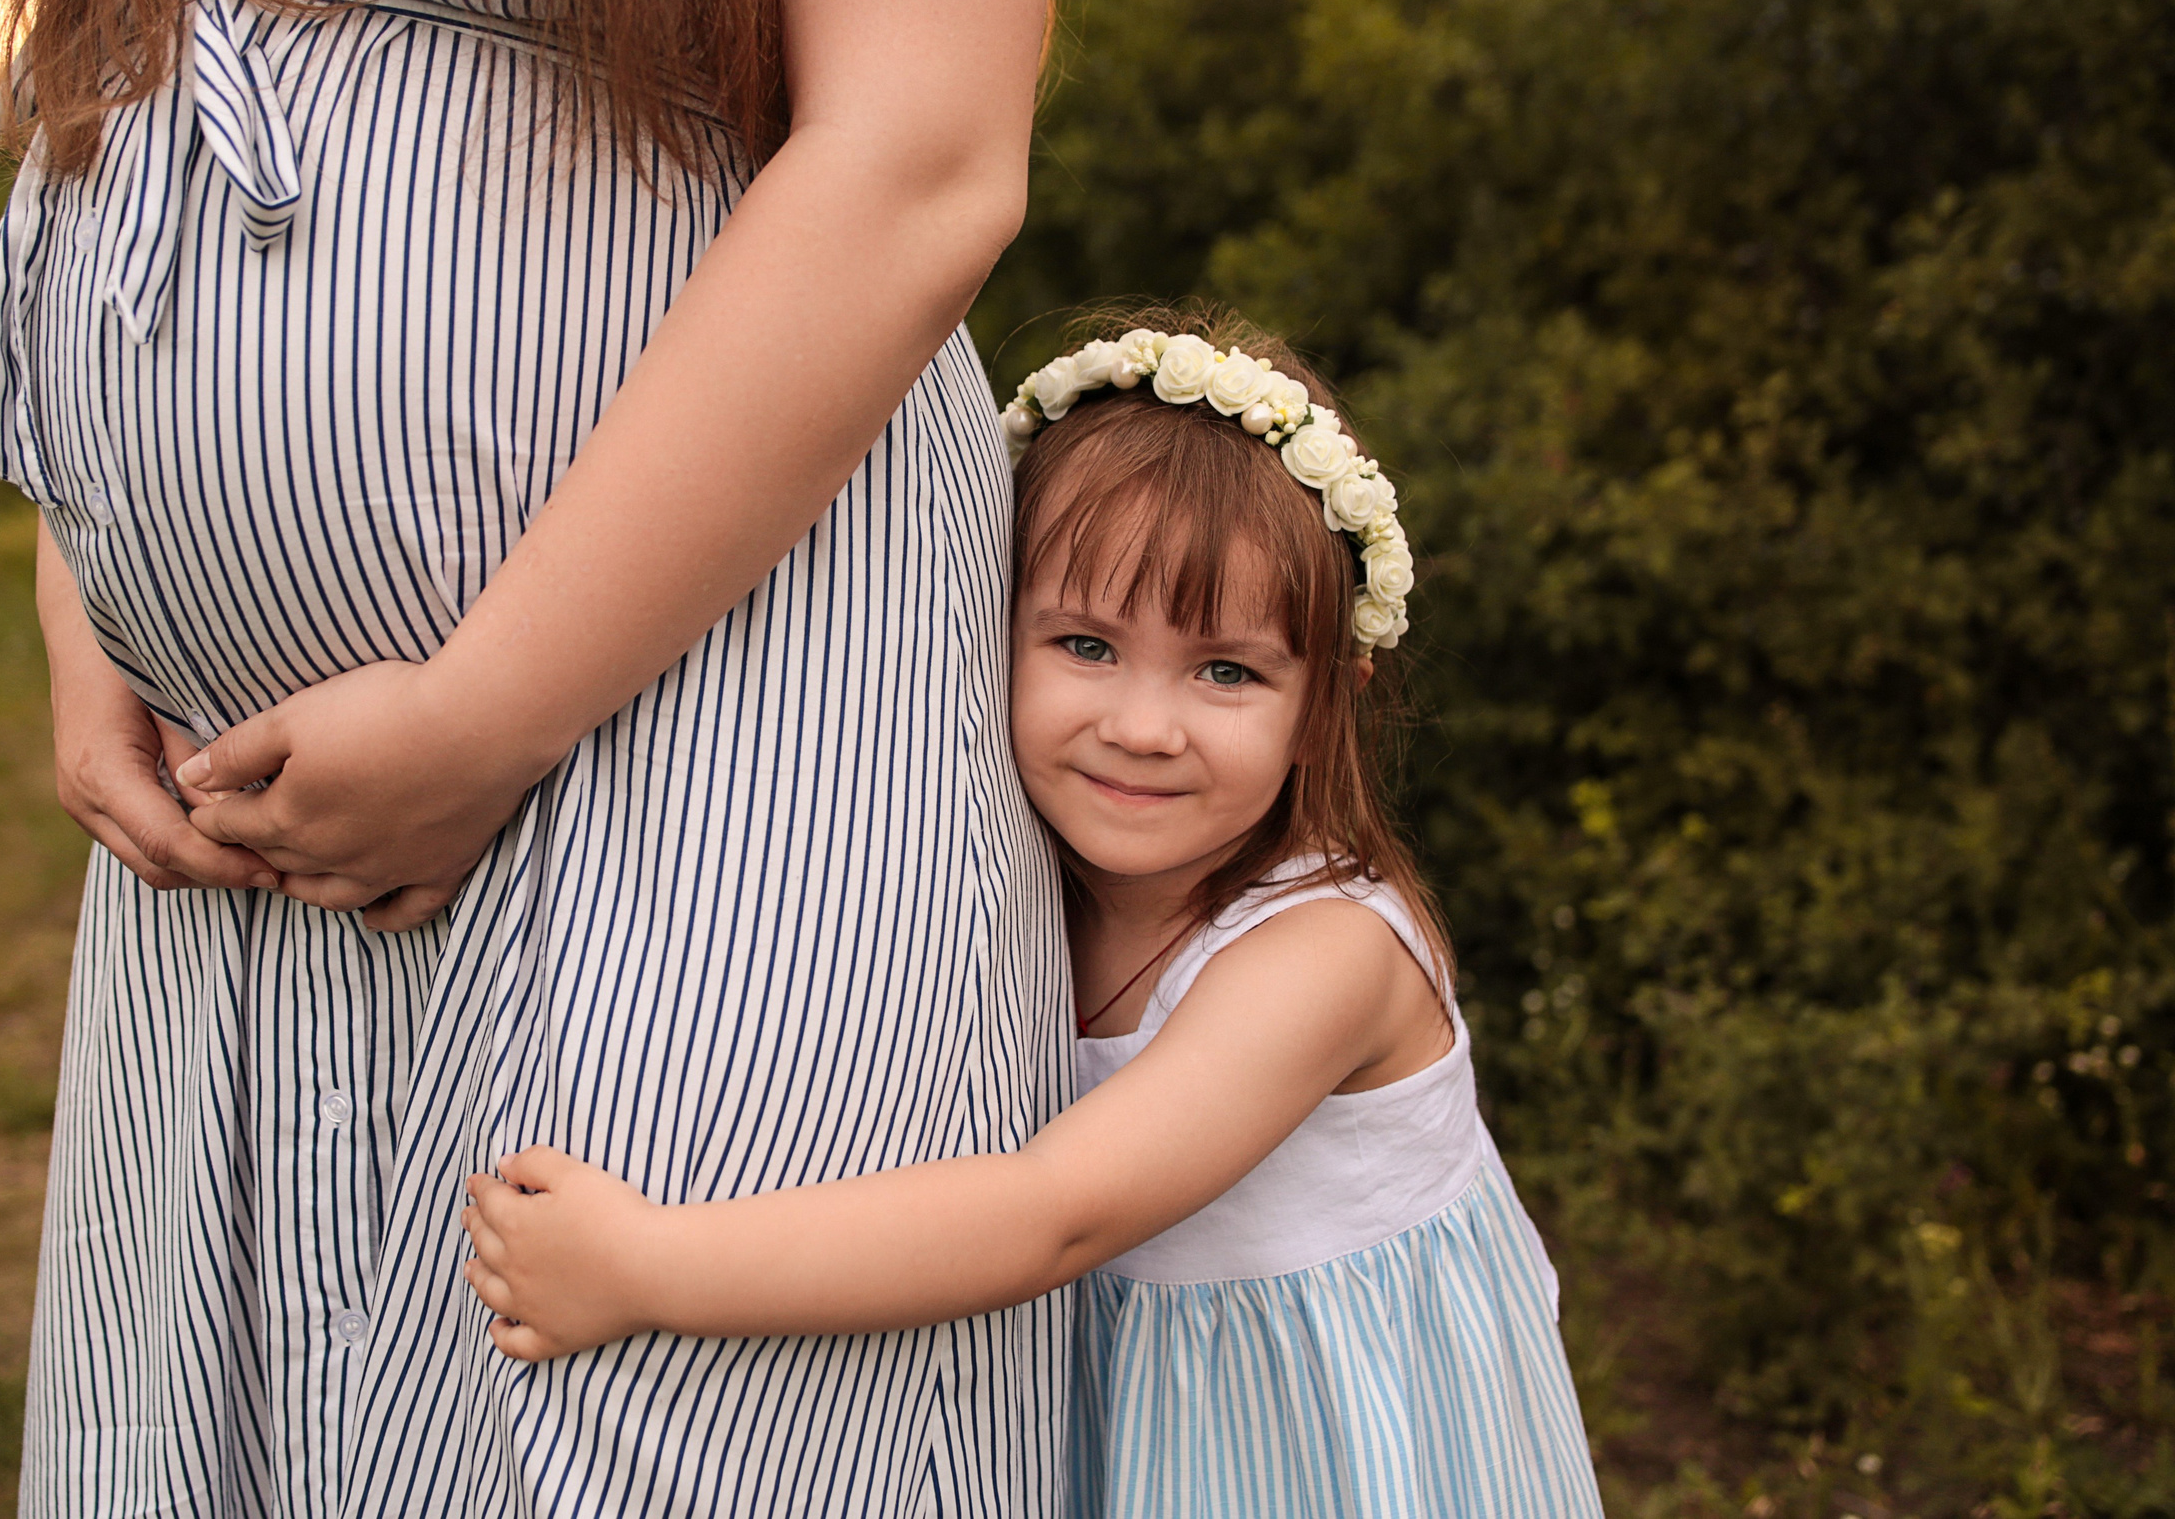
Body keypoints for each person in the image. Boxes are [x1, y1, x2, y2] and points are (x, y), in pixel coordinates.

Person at [0, 0, 1069, 1509]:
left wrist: (480, 719)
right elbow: (124, 37)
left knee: (649, 1427)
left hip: (705, 704)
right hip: (233, 844)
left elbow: (922, 150)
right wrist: (84, 570)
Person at [460, 311, 1606, 1519]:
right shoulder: (1016, 878)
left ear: (1327, 699)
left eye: (1226, 670)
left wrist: (651, 1269)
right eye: (1084, 644)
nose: (1143, 725)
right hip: (1135, 1411)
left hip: (1340, 1434)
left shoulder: (1325, 953)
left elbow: (1055, 1215)